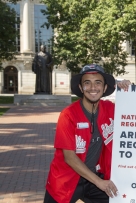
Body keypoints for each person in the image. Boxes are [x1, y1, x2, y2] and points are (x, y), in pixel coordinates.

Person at [44, 64, 119, 203]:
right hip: (66, 179)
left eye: (98, 83)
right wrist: (99, 182)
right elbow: (70, 157)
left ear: (104, 88)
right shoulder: (68, 115)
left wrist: (129, 89)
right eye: (87, 83)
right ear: (80, 88)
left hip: (94, 178)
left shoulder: (110, 109)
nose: (93, 88)